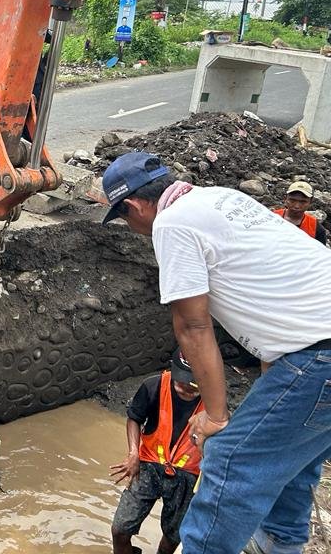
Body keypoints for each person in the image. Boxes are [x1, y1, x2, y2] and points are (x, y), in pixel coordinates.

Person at [102, 151, 331, 554]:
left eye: (124, 218)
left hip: (319, 355)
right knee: (293, 457)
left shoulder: (171, 225)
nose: (131, 227)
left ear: (134, 206)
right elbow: (277, 288)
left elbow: (192, 326)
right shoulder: (220, 198)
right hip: (311, 342)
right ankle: (277, 543)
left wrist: (217, 416)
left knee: (228, 459)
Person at [110, 348, 203, 554]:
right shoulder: (153, 386)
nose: (186, 388)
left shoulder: (215, 402)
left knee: (172, 538)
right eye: (182, 381)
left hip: (188, 477)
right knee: (120, 529)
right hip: (148, 466)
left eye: (193, 386)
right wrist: (133, 453)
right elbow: (134, 418)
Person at [272, 180, 327, 245]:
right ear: (286, 198)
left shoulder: (316, 228)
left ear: (310, 202)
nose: (296, 206)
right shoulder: (272, 217)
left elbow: (319, 252)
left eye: (303, 202)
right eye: (292, 200)